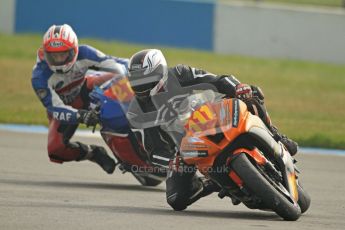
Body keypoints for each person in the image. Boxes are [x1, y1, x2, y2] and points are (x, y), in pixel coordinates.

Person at [126, 49, 298, 210]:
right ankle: (211, 183)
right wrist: (172, 162)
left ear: (160, 71)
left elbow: (217, 80)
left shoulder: (179, 73)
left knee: (251, 93)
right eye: (136, 82)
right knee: (176, 199)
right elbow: (154, 151)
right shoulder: (136, 112)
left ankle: (277, 136)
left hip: (213, 116)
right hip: (186, 149)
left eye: (146, 80)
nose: (142, 86)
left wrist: (237, 87)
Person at [31, 24, 128, 174]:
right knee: (56, 150)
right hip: (63, 107)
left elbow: (116, 64)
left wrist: (137, 69)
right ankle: (93, 153)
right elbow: (54, 108)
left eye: (63, 54)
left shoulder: (85, 53)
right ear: (45, 53)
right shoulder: (39, 77)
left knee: (120, 76)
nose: (59, 60)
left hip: (87, 90)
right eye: (54, 55)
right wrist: (80, 115)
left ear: (74, 50)